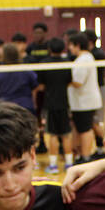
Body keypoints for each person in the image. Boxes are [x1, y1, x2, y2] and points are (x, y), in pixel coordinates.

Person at [34, 37, 73, 173]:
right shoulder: (67, 63)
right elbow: (69, 81)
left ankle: (53, 165)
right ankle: (69, 164)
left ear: (49, 49)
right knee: (66, 134)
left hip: (50, 104)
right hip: (64, 103)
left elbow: (41, 86)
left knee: (53, 135)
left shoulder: (44, 63)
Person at [66, 31, 102, 161]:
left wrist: (62, 82)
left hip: (85, 103)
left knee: (86, 130)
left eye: (71, 45)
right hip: (82, 103)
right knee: (83, 128)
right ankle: (81, 154)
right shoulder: (85, 58)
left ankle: (86, 157)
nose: (69, 48)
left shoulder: (83, 60)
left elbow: (77, 83)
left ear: (77, 45)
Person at [0, 42, 38, 112]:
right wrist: (34, 102)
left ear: (4, 55)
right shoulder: (26, 70)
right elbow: (35, 86)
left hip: (4, 108)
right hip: (25, 107)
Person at [85, 28, 105, 150]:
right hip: (92, 89)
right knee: (93, 122)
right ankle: (100, 149)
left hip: (98, 89)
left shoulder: (96, 54)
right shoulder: (89, 54)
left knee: (96, 122)